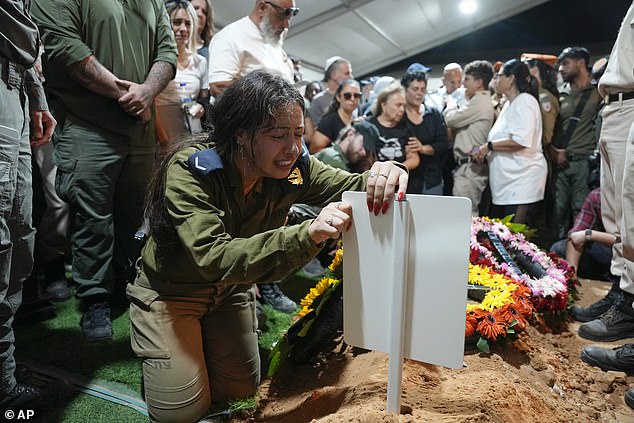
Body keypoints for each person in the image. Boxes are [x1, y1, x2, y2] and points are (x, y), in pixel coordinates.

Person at [127, 69, 408, 422]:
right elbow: (212, 257)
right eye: (277, 135)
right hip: (172, 293)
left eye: (298, 135)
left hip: (230, 291)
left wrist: (388, 172)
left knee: (241, 388)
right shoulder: (191, 171)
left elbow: (355, 185)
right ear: (241, 134)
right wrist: (307, 234)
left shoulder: (293, 166)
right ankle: (160, 334)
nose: (292, 149)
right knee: (181, 412)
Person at [32, 0, 178, 342]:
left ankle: (124, 283)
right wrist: (126, 94)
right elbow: (65, 48)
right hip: (87, 123)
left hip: (139, 125)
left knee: (134, 214)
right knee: (92, 217)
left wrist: (147, 91)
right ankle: (94, 296)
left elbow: (167, 51)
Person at [0, 0, 72, 409]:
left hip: (16, 88)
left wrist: (36, 94)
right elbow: (18, 23)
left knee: (19, 236)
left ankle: (3, 370)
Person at [473, 59, 547, 224]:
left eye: (499, 76)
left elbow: (521, 141)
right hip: (507, 182)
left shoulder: (525, 101)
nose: (496, 81)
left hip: (522, 182)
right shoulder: (508, 104)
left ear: (511, 78)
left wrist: (488, 147)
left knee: (516, 239)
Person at [550, 46, 603, 240]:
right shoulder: (558, 94)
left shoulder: (598, 92)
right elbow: (550, 128)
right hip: (560, 163)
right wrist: (554, 151)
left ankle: (575, 260)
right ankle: (556, 258)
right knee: (558, 211)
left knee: (580, 211)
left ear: (581, 62)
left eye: (565, 63)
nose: (561, 69)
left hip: (584, 163)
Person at [207, 0, 298, 96]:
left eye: (289, 18)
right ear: (262, 8)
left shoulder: (272, 40)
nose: (286, 25)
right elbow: (218, 86)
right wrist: (269, 98)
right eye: (281, 16)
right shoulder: (231, 36)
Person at [155, 0, 208, 153]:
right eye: (177, 22)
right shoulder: (156, 59)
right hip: (160, 136)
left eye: (188, 23)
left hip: (190, 135)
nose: (183, 29)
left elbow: (204, 99)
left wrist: (202, 107)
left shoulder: (200, 62)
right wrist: (163, 138)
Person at [443, 60, 494, 214]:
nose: (463, 84)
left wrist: (451, 102)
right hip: (468, 168)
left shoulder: (480, 101)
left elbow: (451, 119)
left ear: (479, 82)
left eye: (466, 79)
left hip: (470, 169)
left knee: (466, 216)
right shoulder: (478, 101)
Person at [550, 187, 613, 284]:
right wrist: (572, 275)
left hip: (626, 253)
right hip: (607, 251)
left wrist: (590, 234)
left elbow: (627, 241)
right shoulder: (597, 196)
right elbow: (575, 235)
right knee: (559, 248)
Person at [401, 70, 450, 195]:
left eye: (423, 89)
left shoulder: (433, 114)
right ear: (405, 90)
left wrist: (422, 148)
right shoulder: (399, 115)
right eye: (415, 89)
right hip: (405, 179)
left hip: (431, 179)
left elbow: (443, 143)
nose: (419, 93)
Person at [368, 82, 420, 171]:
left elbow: (414, 158)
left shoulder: (405, 126)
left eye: (403, 105)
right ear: (383, 105)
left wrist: (396, 170)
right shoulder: (369, 127)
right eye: (398, 105)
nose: (402, 110)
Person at [310, 80, 362, 154]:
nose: (352, 99)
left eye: (357, 95)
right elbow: (314, 150)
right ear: (338, 97)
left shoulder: (357, 121)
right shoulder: (329, 121)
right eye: (347, 95)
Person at [315, 121, 380, 173]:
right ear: (350, 134)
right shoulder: (333, 159)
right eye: (363, 145)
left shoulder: (348, 161)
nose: (363, 153)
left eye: (367, 151)